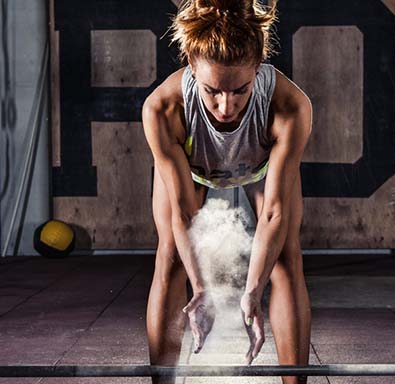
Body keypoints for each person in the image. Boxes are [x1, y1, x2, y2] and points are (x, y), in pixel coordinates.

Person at [142, 0, 312, 382]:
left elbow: (273, 213)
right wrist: (202, 289)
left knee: (286, 258)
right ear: (189, 61)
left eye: (240, 90)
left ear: (258, 67)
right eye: (212, 91)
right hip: (194, 169)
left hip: (259, 164)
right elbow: (185, 214)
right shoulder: (163, 109)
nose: (225, 106)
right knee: (170, 256)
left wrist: (251, 292)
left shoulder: (289, 105)